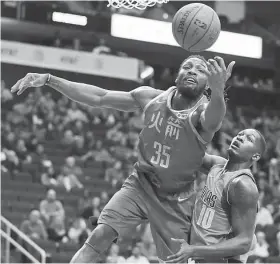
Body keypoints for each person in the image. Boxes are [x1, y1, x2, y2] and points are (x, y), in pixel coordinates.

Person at [11, 55, 235, 262]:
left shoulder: (202, 115)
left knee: (176, 259)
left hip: (175, 199)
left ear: (207, 84)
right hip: (140, 185)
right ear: (176, 75)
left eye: (200, 70)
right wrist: (49, 79)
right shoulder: (150, 97)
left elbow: (215, 116)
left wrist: (218, 91)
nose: (192, 71)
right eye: (187, 67)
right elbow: (100, 97)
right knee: (100, 235)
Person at [166, 129, 266, 263]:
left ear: (255, 156)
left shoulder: (243, 185)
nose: (240, 138)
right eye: (240, 134)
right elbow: (190, 153)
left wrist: (193, 250)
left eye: (249, 139)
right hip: (199, 255)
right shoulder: (217, 165)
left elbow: (244, 242)